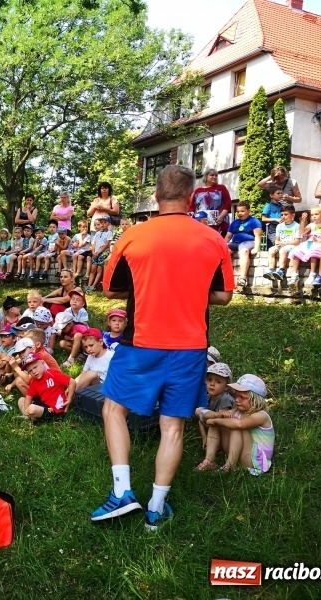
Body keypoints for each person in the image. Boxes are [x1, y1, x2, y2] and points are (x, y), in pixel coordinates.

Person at [91, 165, 234, 531]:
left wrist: (149, 286)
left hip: (141, 343)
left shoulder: (132, 236)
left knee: (113, 409)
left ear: (155, 196)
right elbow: (224, 295)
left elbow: (110, 290)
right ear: (191, 198)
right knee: (172, 426)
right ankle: (156, 507)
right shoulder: (213, 239)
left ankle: (122, 492)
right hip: (190, 346)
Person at [203, 374, 274, 475]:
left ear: (255, 399)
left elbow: (239, 424)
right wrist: (217, 418)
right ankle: (209, 460)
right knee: (223, 422)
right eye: (236, 396)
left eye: (242, 397)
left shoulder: (261, 416)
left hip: (256, 461)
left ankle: (230, 466)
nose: (236, 400)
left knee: (236, 426)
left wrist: (215, 421)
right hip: (242, 453)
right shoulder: (237, 411)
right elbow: (218, 418)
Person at [194, 362, 235, 471]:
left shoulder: (225, 399)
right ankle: (209, 459)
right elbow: (200, 421)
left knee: (210, 418)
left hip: (228, 436)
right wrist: (204, 438)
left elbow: (221, 421)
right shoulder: (208, 398)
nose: (212, 384)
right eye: (209, 380)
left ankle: (210, 459)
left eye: (218, 381)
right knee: (201, 412)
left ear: (226, 387)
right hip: (215, 432)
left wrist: (212, 416)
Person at [18, 353, 75, 422]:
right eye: (30, 371)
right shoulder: (34, 382)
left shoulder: (52, 373)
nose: (34, 371)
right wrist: (26, 409)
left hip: (55, 410)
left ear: (43, 362)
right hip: (44, 405)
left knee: (32, 408)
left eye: (35, 367)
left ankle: (31, 417)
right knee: (21, 400)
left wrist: (69, 398)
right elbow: (28, 397)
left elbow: (72, 382)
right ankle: (29, 416)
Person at [286, 206, 321, 287]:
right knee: (296, 251)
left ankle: (312, 274)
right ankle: (294, 274)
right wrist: (303, 221)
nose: (314, 216)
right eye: (312, 215)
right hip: (310, 242)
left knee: (313, 252)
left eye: (316, 214)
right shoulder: (312, 225)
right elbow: (302, 233)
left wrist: (319, 241)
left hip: (320, 243)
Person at [224, 201, 262, 289]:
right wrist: (222, 246)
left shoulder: (254, 221)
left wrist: (256, 248)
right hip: (235, 243)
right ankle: (224, 277)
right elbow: (228, 236)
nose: (240, 213)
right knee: (223, 251)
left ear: (248, 211)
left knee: (244, 251)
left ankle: (242, 278)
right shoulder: (234, 223)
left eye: (242, 211)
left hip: (248, 242)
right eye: (238, 212)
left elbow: (258, 235)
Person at [262, 205, 300, 282]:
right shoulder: (279, 226)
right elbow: (276, 240)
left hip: (291, 245)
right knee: (271, 250)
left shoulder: (297, 226)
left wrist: (284, 244)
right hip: (281, 244)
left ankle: (281, 270)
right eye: (282, 215)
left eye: (286, 215)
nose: (283, 217)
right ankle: (271, 270)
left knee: (283, 250)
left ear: (292, 215)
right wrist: (278, 243)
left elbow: (297, 242)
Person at [189, 168, 232, 234]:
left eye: (216, 176)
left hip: (218, 222)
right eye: (212, 175)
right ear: (206, 177)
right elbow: (191, 206)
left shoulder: (221, 188)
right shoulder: (197, 191)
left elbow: (227, 204)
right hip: (201, 222)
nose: (214, 177)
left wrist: (221, 217)